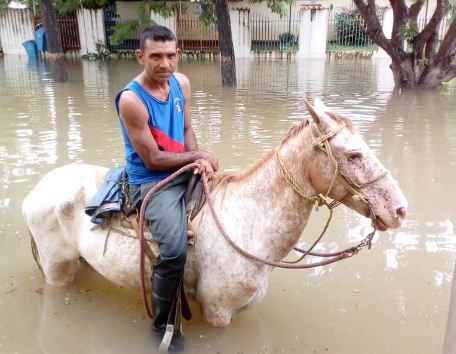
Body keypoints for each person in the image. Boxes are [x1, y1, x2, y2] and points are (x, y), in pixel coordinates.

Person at [115, 25, 219, 349]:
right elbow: (153, 159)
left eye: (171, 55)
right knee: (174, 250)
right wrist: (197, 157)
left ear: (178, 54)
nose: (165, 64)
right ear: (140, 56)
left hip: (181, 165)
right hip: (151, 180)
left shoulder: (181, 83)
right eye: (156, 56)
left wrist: (198, 160)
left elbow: (187, 128)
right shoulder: (132, 100)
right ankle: (162, 325)